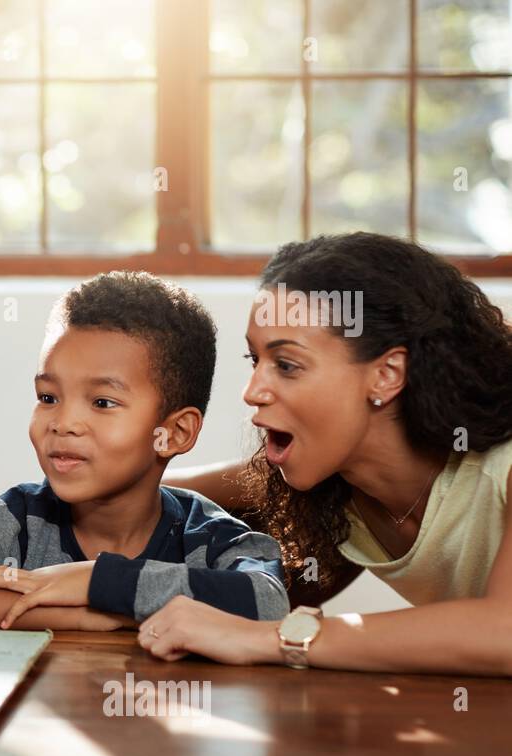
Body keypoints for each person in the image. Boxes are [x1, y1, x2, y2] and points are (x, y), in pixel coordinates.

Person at [159, 233, 512, 676]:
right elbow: (192, 500)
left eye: (286, 365)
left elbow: (505, 632)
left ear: (386, 375)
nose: (253, 392)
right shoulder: (336, 491)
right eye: (255, 360)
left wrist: (271, 640)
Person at [0, 272, 289, 631]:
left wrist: (93, 581)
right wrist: (72, 614)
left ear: (175, 432)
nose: (63, 422)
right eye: (48, 397)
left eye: (103, 402)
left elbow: (266, 603)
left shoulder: (208, 536)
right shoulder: (18, 519)